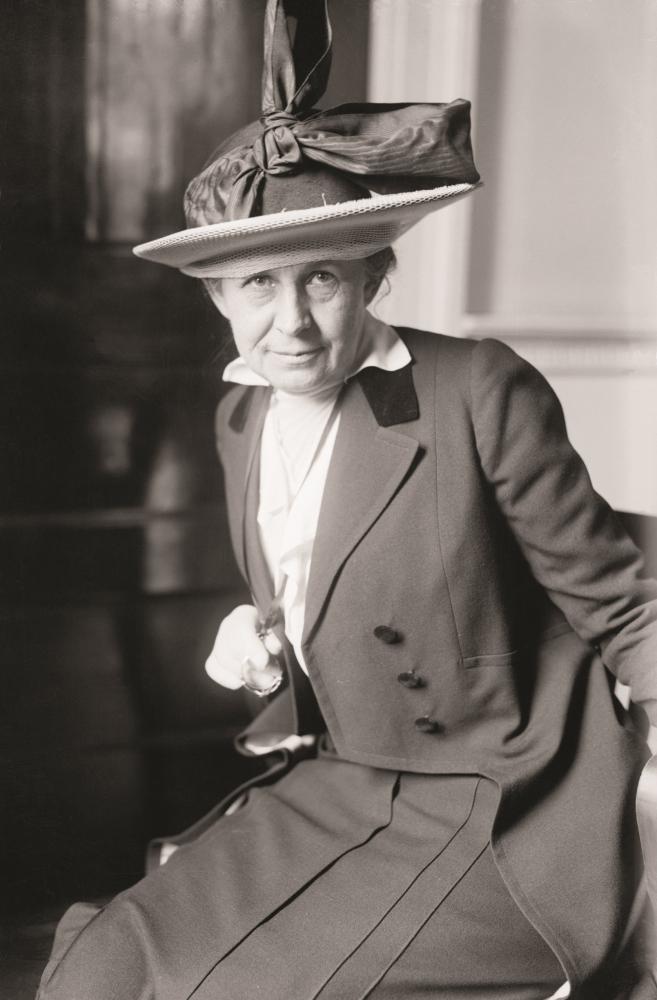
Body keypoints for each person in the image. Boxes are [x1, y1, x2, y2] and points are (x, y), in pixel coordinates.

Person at [38, 1, 657, 998]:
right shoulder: (240, 419)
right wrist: (256, 632)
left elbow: (621, 603)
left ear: (375, 275)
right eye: (255, 286)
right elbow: (329, 581)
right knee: (111, 961)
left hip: (497, 793)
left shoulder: (475, 389)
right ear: (215, 296)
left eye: (320, 278)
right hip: (347, 772)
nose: (288, 323)